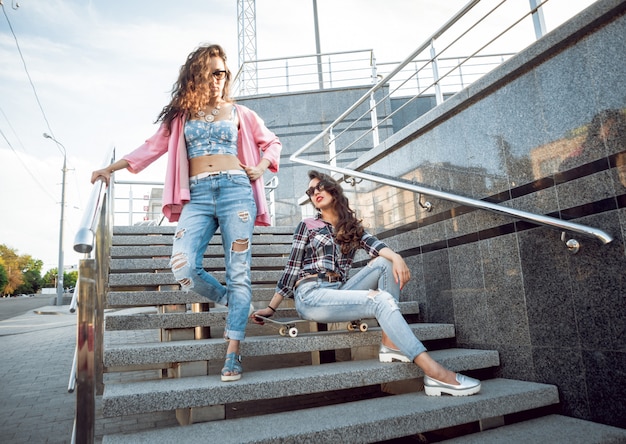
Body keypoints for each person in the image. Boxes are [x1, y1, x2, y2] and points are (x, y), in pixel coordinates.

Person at [91, 43, 282, 382]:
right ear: (197, 75)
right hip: (197, 196)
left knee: (239, 273)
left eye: (223, 72)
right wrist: (111, 168)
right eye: (211, 72)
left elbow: (272, 142)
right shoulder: (181, 116)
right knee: (183, 266)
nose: (218, 79)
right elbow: (151, 147)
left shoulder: (241, 113)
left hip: (237, 193)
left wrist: (260, 167)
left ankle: (233, 354)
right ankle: (231, 300)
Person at [251, 170, 480, 396]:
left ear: (333, 189)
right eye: (310, 191)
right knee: (380, 300)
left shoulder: (351, 227)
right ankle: (434, 372)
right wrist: (271, 307)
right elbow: (291, 268)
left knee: (385, 262)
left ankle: (390, 342)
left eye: (319, 186)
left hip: (339, 290)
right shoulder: (308, 225)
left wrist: (397, 257)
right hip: (312, 294)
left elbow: (377, 246)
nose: (315, 192)